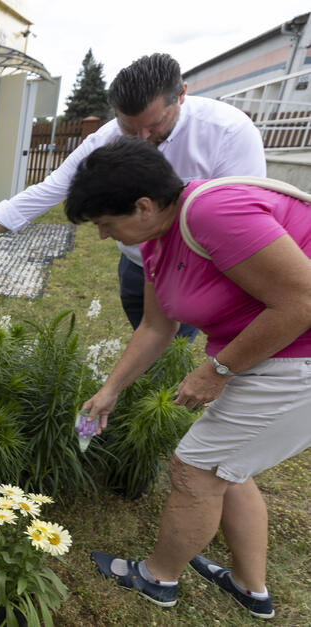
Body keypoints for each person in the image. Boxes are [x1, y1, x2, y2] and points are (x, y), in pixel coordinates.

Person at [66, 137, 311, 620]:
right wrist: (110, 389)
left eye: (106, 224)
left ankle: (158, 579)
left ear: (143, 205)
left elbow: (302, 301)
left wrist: (218, 369)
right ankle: (249, 586)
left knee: (194, 469)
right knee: (229, 467)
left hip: (296, 360)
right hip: (268, 355)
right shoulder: (157, 240)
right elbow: (157, 326)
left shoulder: (212, 212)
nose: (102, 236)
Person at [0, 54, 266, 336]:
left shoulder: (229, 132)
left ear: (181, 95)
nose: (143, 138)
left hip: (194, 268)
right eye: (129, 129)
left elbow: (240, 225)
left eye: (155, 126)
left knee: (176, 346)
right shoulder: (105, 138)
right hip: (137, 266)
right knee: (148, 335)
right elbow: (47, 191)